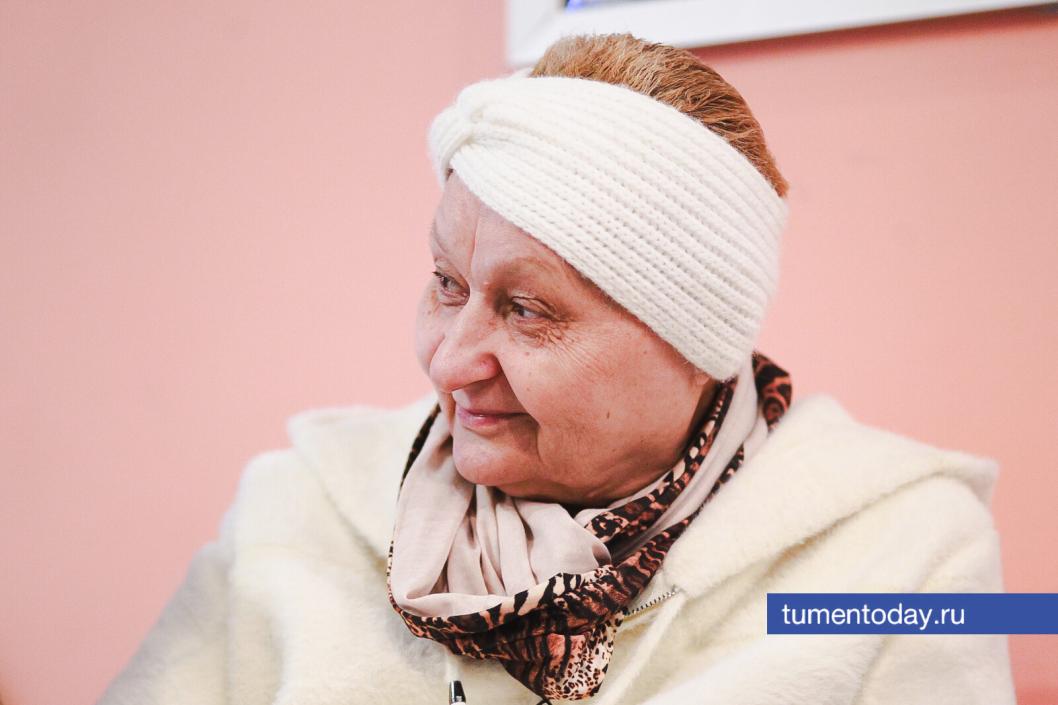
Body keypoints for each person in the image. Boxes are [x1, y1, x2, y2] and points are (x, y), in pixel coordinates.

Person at [97, 33, 1015, 705]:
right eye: (448, 284)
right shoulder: (292, 509)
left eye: (528, 309)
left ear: (694, 342)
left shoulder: (909, 554)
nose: (450, 360)